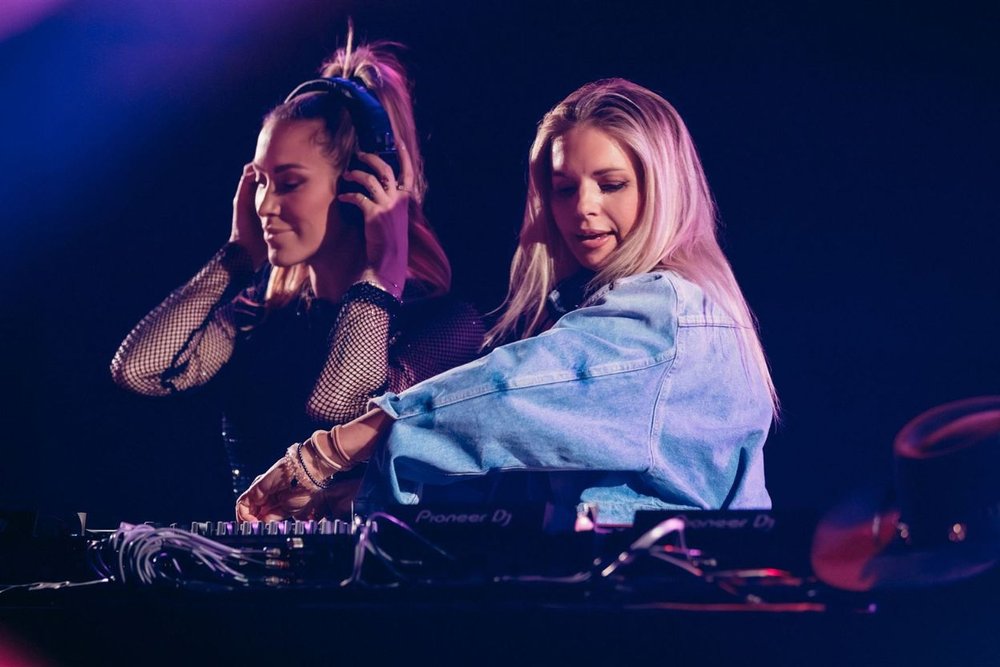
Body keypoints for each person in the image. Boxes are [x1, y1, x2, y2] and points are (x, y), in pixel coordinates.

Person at [236, 78, 778, 526]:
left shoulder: (668, 315)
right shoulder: (625, 313)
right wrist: (350, 498)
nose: (583, 208)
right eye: (564, 189)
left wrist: (335, 447)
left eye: (611, 184)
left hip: (663, 616)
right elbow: (521, 471)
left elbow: (508, 393)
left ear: (662, 189)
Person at [110, 34, 483, 503]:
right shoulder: (262, 313)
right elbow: (141, 371)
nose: (265, 204)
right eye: (260, 182)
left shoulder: (445, 323)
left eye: (288, 183)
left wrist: (382, 272)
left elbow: (337, 409)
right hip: (248, 571)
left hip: (361, 574)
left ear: (361, 183)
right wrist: (237, 256)